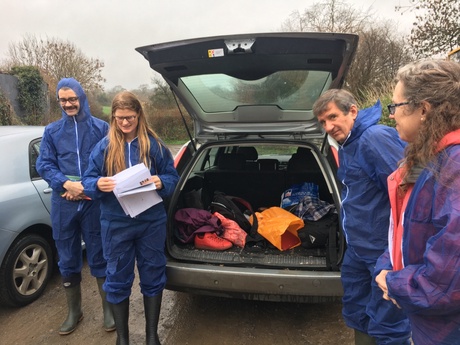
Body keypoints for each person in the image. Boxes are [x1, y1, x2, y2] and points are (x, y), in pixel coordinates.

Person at [313, 89, 411, 345]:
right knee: (357, 310)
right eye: (323, 122)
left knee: (388, 323)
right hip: (358, 249)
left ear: (353, 111)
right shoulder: (348, 145)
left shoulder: (374, 138)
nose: (328, 126)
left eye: (332, 117)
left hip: (383, 250)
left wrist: (396, 254)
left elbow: (407, 196)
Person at [82, 91, 179, 345]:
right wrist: (97, 184)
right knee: (116, 277)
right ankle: (122, 339)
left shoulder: (153, 145)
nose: (125, 123)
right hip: (116, 223)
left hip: (150, 222)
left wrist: (162, 181)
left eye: (130, 118)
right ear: (113, 117)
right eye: (120, 118)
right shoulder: (104, 147)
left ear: (139, 116)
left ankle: (151, 336)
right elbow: (88, 180)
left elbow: (172, 177)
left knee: (153, 272)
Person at [375, 60, 460, 345]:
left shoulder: (455, 168)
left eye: (395, 106)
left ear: (423, 109)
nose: (391, 116)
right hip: (430, 323)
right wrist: (387, 265)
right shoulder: (431, 160)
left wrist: (394, 283)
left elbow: (448, 282)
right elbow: (406, 231)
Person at [36, 78, 114, 335]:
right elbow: (45, 165)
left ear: (81, 97)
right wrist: (65, 185)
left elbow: (111, 163)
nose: (68, 104)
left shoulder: (101, 128)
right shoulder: (52, 132)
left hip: (94, 203)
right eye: (63, 100)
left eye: (72, 99)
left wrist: (86, 188)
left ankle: (108, 310)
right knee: (67, 257)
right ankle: (74, 311)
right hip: (64, 203)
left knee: (100, 253)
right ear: (59, 101)